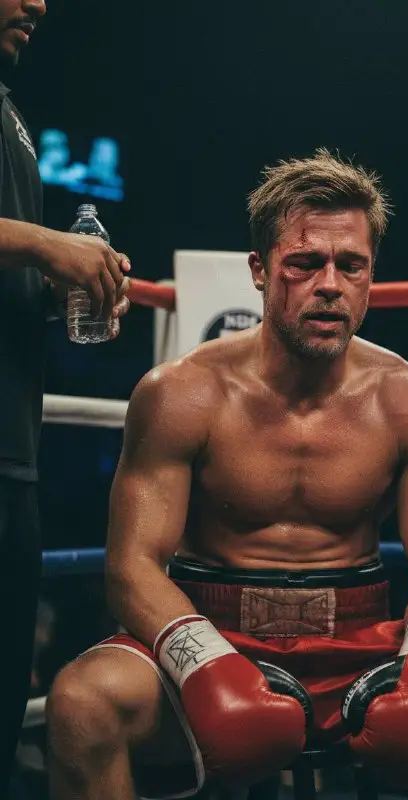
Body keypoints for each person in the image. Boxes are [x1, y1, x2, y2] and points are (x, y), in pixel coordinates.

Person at [46, 148, 408, 800]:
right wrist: (207, 662)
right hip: (216, 631)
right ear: (259, 270)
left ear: (370, 275)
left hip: (367, 640)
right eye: (304, 263)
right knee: (81, 702)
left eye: (350, 265)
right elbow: (131, 565)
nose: (329, 283)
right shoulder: (181, 394)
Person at [0, 1, 131, 793]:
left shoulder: (11, 114)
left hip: (15, 451)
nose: (38, 4)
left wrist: (55, 288)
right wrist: (52, 245)